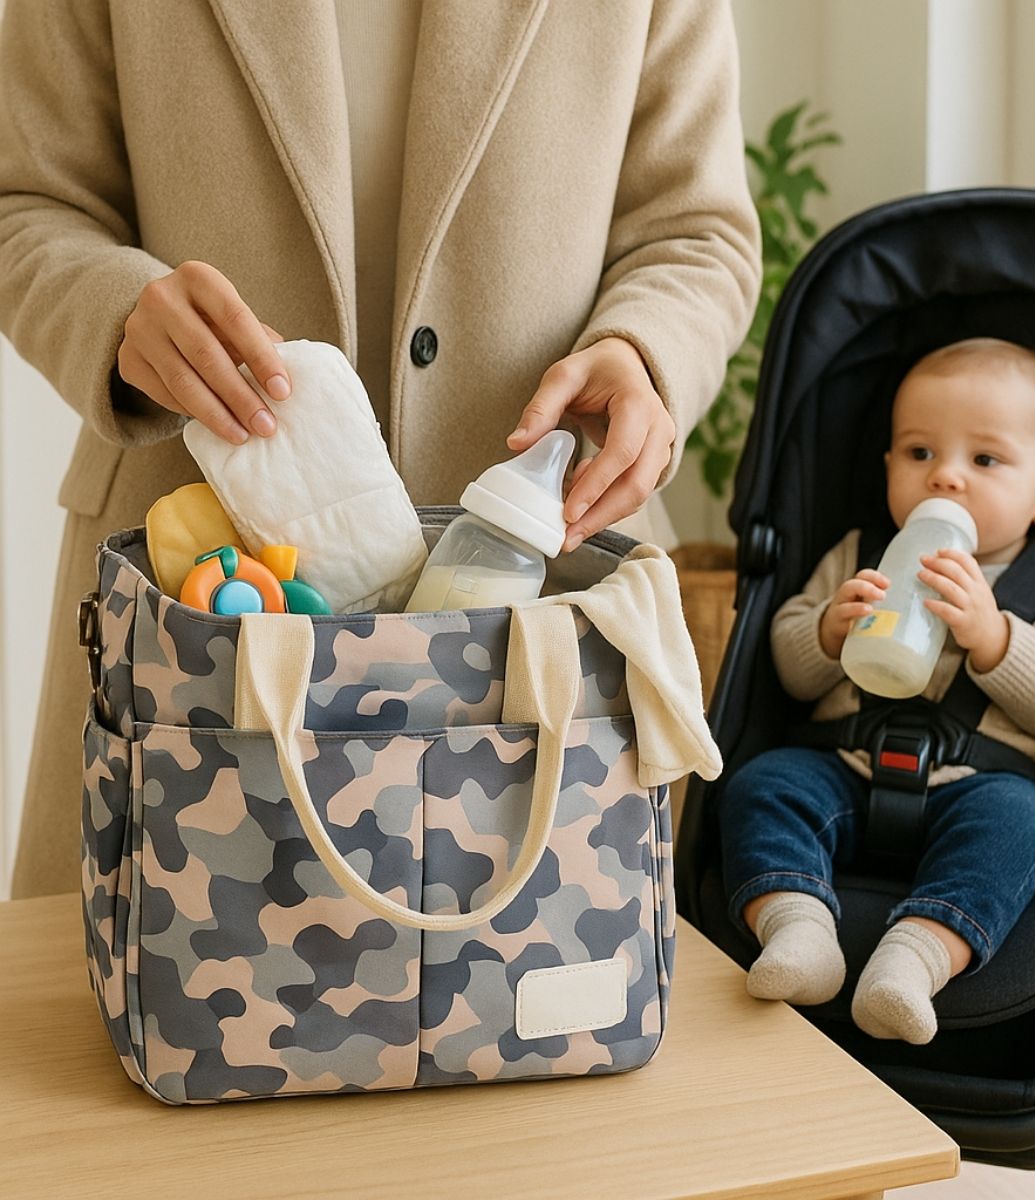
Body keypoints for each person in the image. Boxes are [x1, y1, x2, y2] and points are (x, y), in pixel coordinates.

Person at [0, 0, 761, 897]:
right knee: (150, 994)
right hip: (187, 592)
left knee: (544, 996)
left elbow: (696, 230)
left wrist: (644, 350)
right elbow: (27, 201)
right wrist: (116, 311)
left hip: (537, 588)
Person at [718, 338, 1035, 1044]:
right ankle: (799, 929)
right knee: (762, 783)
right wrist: (827, 632)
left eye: (985, 460)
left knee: (1022, 827)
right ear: (889, 467)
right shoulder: (860, 552)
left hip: (990, 782)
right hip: (844, 767)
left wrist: (997, 640)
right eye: (919, 454)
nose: (946, 480)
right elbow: (785, 663)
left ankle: (912, 962)